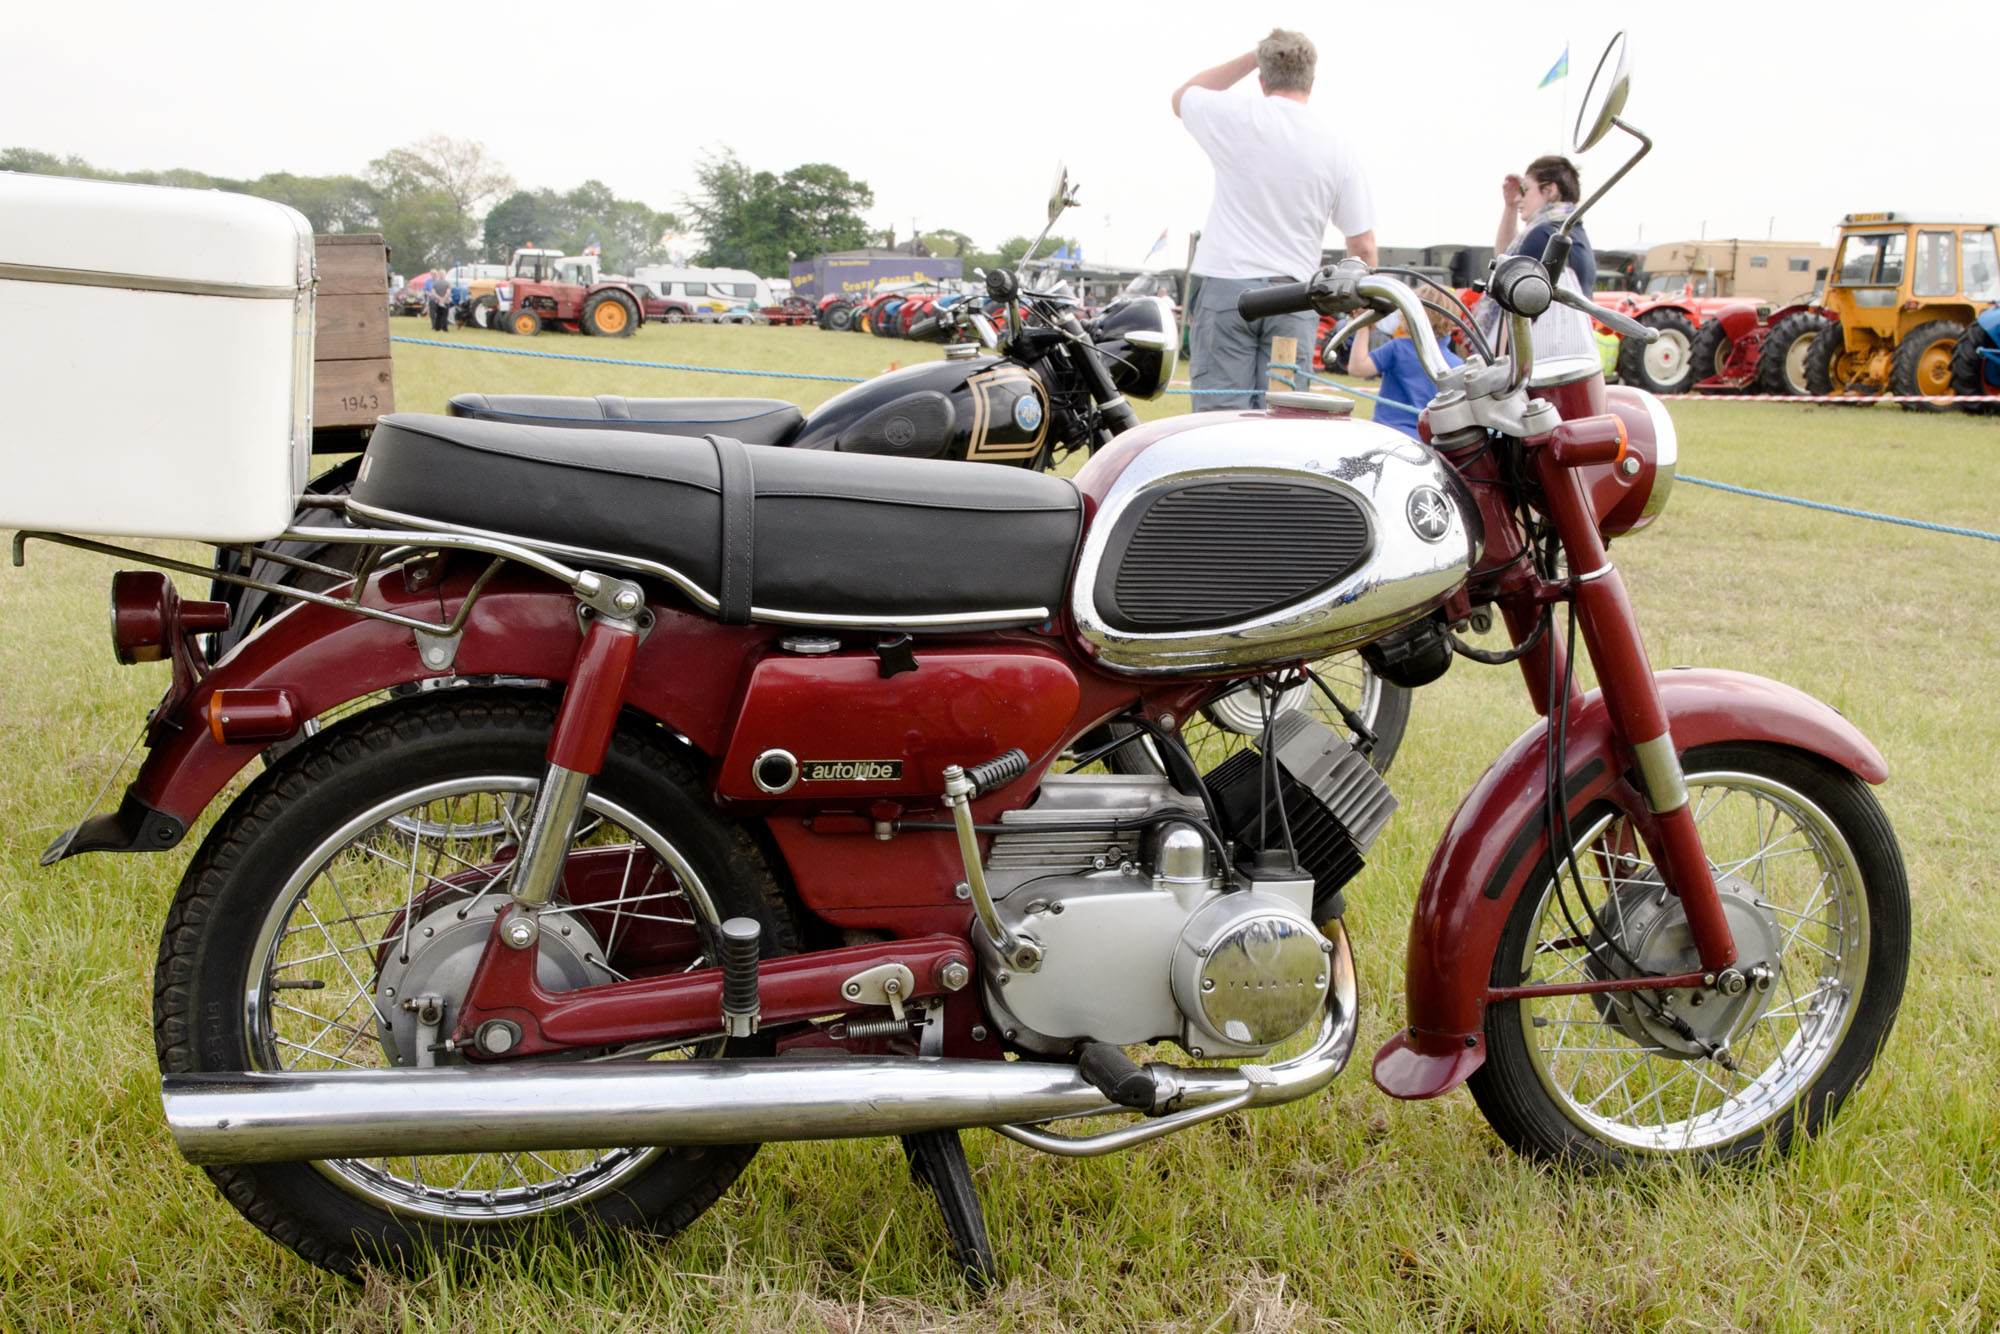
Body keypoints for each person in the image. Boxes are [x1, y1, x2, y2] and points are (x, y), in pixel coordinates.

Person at [1174, 29, 1377, 411]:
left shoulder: (1235, 116)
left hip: (1227, 288)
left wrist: (1255, 56)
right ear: (1312, 83)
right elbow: (1362, 248)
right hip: (1294, 295)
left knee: (1217, 423)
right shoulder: (1337, 144)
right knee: (1283, 422)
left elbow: (1183, 96)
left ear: (1261, 79)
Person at [1486, 155, 1597, 363]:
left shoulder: (1543, 236)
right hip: (1571, 358)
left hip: (1536, 358)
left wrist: (1494, 361)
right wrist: (1509, 207)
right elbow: (1506, 258)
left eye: (1525, 190)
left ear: (1550, 190)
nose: (1520, 198)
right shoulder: (1576, 237)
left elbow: (1518, 306)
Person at [1345, 302, 1464, 440]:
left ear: (1410, 315)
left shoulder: (1398, 348)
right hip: (1430, 446)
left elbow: (1357, 368)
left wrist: (1363, 328)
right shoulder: (1457, 365)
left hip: (1388, 437)